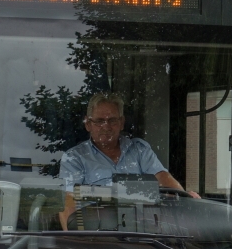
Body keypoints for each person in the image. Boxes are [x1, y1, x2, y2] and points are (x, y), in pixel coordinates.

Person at [59, 94, 195, 227]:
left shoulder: (140, 150)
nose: (106, 127)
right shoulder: (74, 158)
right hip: (98, 234)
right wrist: (75, 238)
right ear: (88, 124)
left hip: (144, 231)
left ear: (122, 123)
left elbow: (163, 178)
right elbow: (67, 201)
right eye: (99, 121)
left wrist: (185, 201)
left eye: (112, 120)